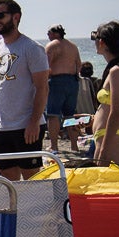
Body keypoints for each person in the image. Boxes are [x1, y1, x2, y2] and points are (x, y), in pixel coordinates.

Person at [0, 0, 50, 180]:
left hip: (26, 125)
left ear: (15, 17)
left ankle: (33, 209)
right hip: (3, 126)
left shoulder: (32, 48)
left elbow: (42, 88)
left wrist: (34, 121)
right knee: (7, 176)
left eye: (0, 15)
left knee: (31, 178)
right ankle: (15, 210)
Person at [91, 21, 119, 169]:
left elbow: (116, 112)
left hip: (111, 142)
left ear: (102, 42)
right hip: (114, 137)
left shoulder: (117, 71)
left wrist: (104, 150)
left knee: (107, 190)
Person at [44, 25, 82, 153]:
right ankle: (74, 146)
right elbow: (79, 64)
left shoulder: (51, 46)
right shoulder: (73, 46)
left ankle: (54, 146)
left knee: (53, 115)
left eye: (48, 32)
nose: (47, 35)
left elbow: (46, 66)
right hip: (72, 81)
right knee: (70, 115)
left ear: (55, 33)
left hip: (57, 80)